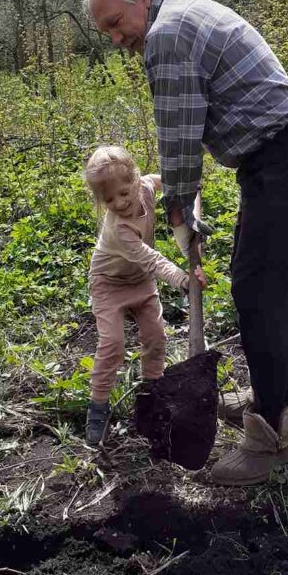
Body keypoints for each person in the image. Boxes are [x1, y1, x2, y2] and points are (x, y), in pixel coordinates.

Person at [82, 0, 288, 485]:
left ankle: (278, 440)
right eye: (104, 30)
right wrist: (184, 208)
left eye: (114, 22)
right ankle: (275, 397)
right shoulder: (185, 14)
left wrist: (177, 210)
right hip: (280, 155)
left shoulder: (166, 35)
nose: (114, 38)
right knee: (257, 285)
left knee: (258, 291)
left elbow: (176, 134)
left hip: (283, 155)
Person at [83, 144, 206, 445]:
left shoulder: (147, 187)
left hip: (140, 280)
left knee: (156, 336)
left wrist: (187, 186)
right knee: (112, 343)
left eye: (124, 193)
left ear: (136, 180)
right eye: (108, 200)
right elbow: (151, 258)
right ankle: (98, 406)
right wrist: (182, 279)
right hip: (108, 284)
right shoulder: (119, 229)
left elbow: (167, 182)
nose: (119, 203)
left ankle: (152, 392)